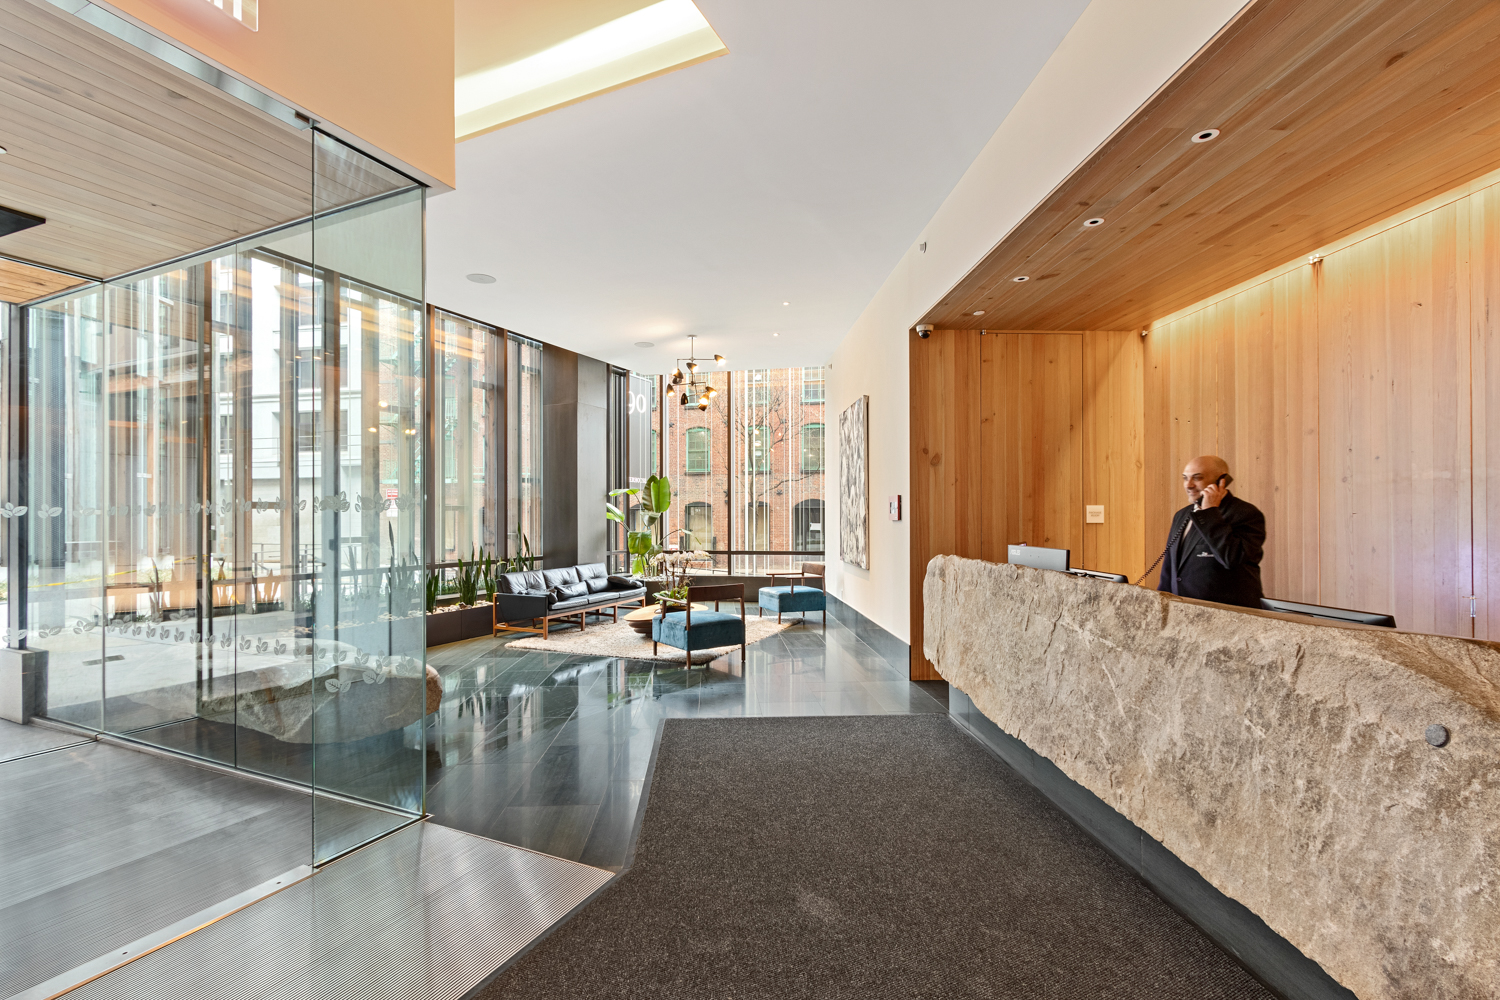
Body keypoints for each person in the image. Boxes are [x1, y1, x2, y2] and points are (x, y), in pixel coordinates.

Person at [1157, 455, 1265, 608]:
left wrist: (1210, 513)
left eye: (1197, 478)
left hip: (1229, 616)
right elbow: (1169, 569)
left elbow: (1231, 558)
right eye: (1185, 478)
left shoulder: (1245, 513)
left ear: (1221, 481)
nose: (1188, 485)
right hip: (1183, 614)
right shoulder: (1182, 515)